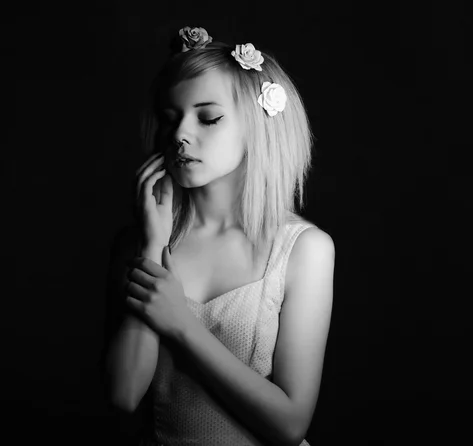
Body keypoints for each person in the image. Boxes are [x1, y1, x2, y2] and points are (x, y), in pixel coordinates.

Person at [105, 25, 335, 446]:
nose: (180, 135)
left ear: (257, 126)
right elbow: (123, 395)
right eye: (170, 119)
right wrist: (152, 247)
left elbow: (290, 424)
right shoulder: (140, 242)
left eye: (208, 118)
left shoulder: (304, 250)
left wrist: (181, 325)